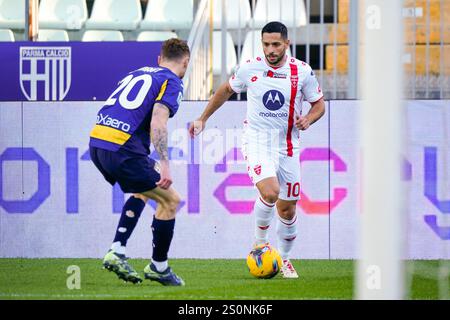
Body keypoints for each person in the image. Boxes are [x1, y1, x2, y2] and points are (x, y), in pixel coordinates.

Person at [189, 22, 325, 278]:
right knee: (271, 191)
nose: (270, 50)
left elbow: (319, 105)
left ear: (287, 43)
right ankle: (260, 244)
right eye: (266, 44)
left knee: (288, 209)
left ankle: (283, 260)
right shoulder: (250, 67)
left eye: (275, 44)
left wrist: (308, 118)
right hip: (257, 141)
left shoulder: (302, 71)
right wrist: (203, 118)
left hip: (288, 145)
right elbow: (226, 89)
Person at [89, 38, 190, 286]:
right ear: (185, 62)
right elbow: (158, 122)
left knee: (145, 188)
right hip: (124, 149)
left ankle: (118, 248)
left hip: (98, 143)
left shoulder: (136, 73)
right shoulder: (172, 81)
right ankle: (159, 267)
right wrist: (166, 163)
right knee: (171, 200)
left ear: (159, 59)